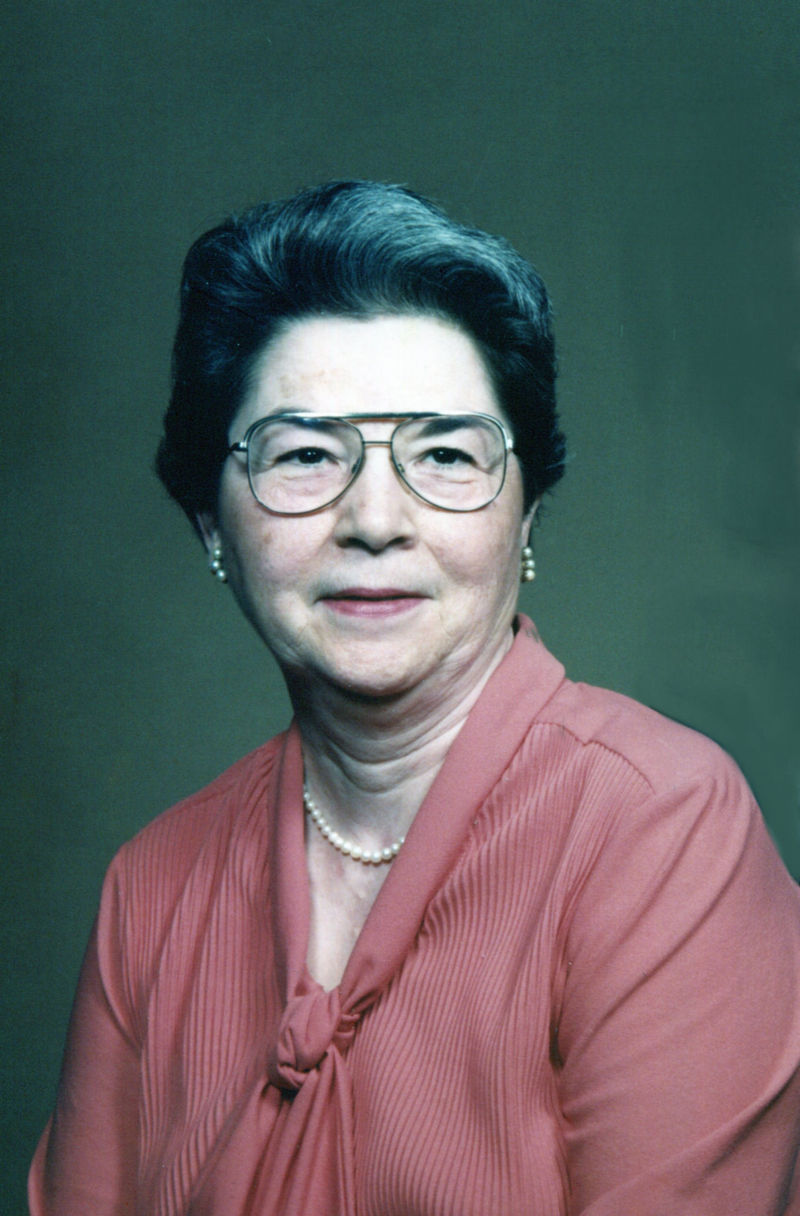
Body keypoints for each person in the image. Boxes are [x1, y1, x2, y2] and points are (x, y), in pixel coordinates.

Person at [29, 180, 800, 1215]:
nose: (376, 520)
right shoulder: (151, 886)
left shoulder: (660, 824)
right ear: (211, 520)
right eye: (306, 455)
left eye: (443, 454)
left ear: (525, 514)